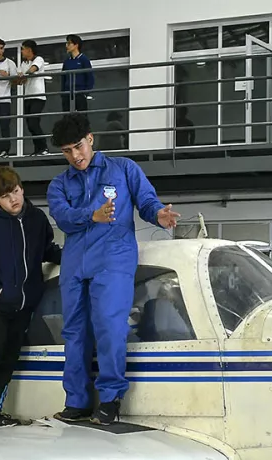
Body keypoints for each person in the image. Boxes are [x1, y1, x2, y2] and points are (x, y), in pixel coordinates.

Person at [47, 113, 179, 425]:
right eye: (67, 151)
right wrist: (90, 216)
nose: (75, 156)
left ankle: (109, 398)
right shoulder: (59, 184)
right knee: (74, 332)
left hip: (113, 260)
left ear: (90, 139)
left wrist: (158, 214)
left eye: (79, 146)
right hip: (75, 265)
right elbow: (62, 217)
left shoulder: (123, 169)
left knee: (110, 327)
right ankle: (76, 401)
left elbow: (146, 201)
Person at [0, 166, 61, 430]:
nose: (13, 199)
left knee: (8, 359)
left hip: (24, 307)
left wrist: (71, 256)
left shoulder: (37, 219)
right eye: (5, 197)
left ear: (21, 188)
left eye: (15, 192)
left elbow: (46, 250)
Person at [16, 40, 49, 156]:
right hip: (27, 97)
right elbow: (20, 81)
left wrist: (23, 75)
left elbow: (32, 70)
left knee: (34, 123)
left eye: (23, 49)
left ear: (29, 50)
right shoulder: (23, 63)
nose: (21, 51)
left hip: (38, 97)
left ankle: (44, 147)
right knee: (30, 125)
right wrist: (20, 78)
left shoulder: (38, 59)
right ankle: (37, 149)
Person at [61, 34, 94, 114]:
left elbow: (90, 77)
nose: (66, 45)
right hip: (67, 93)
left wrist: (85, 93)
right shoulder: (67, 61)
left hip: (80, 93)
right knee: (67, 117)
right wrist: (63, 93)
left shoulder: (84, 59)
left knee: (81, 117)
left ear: (76, 45)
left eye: (69, 43)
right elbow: (63, 78)